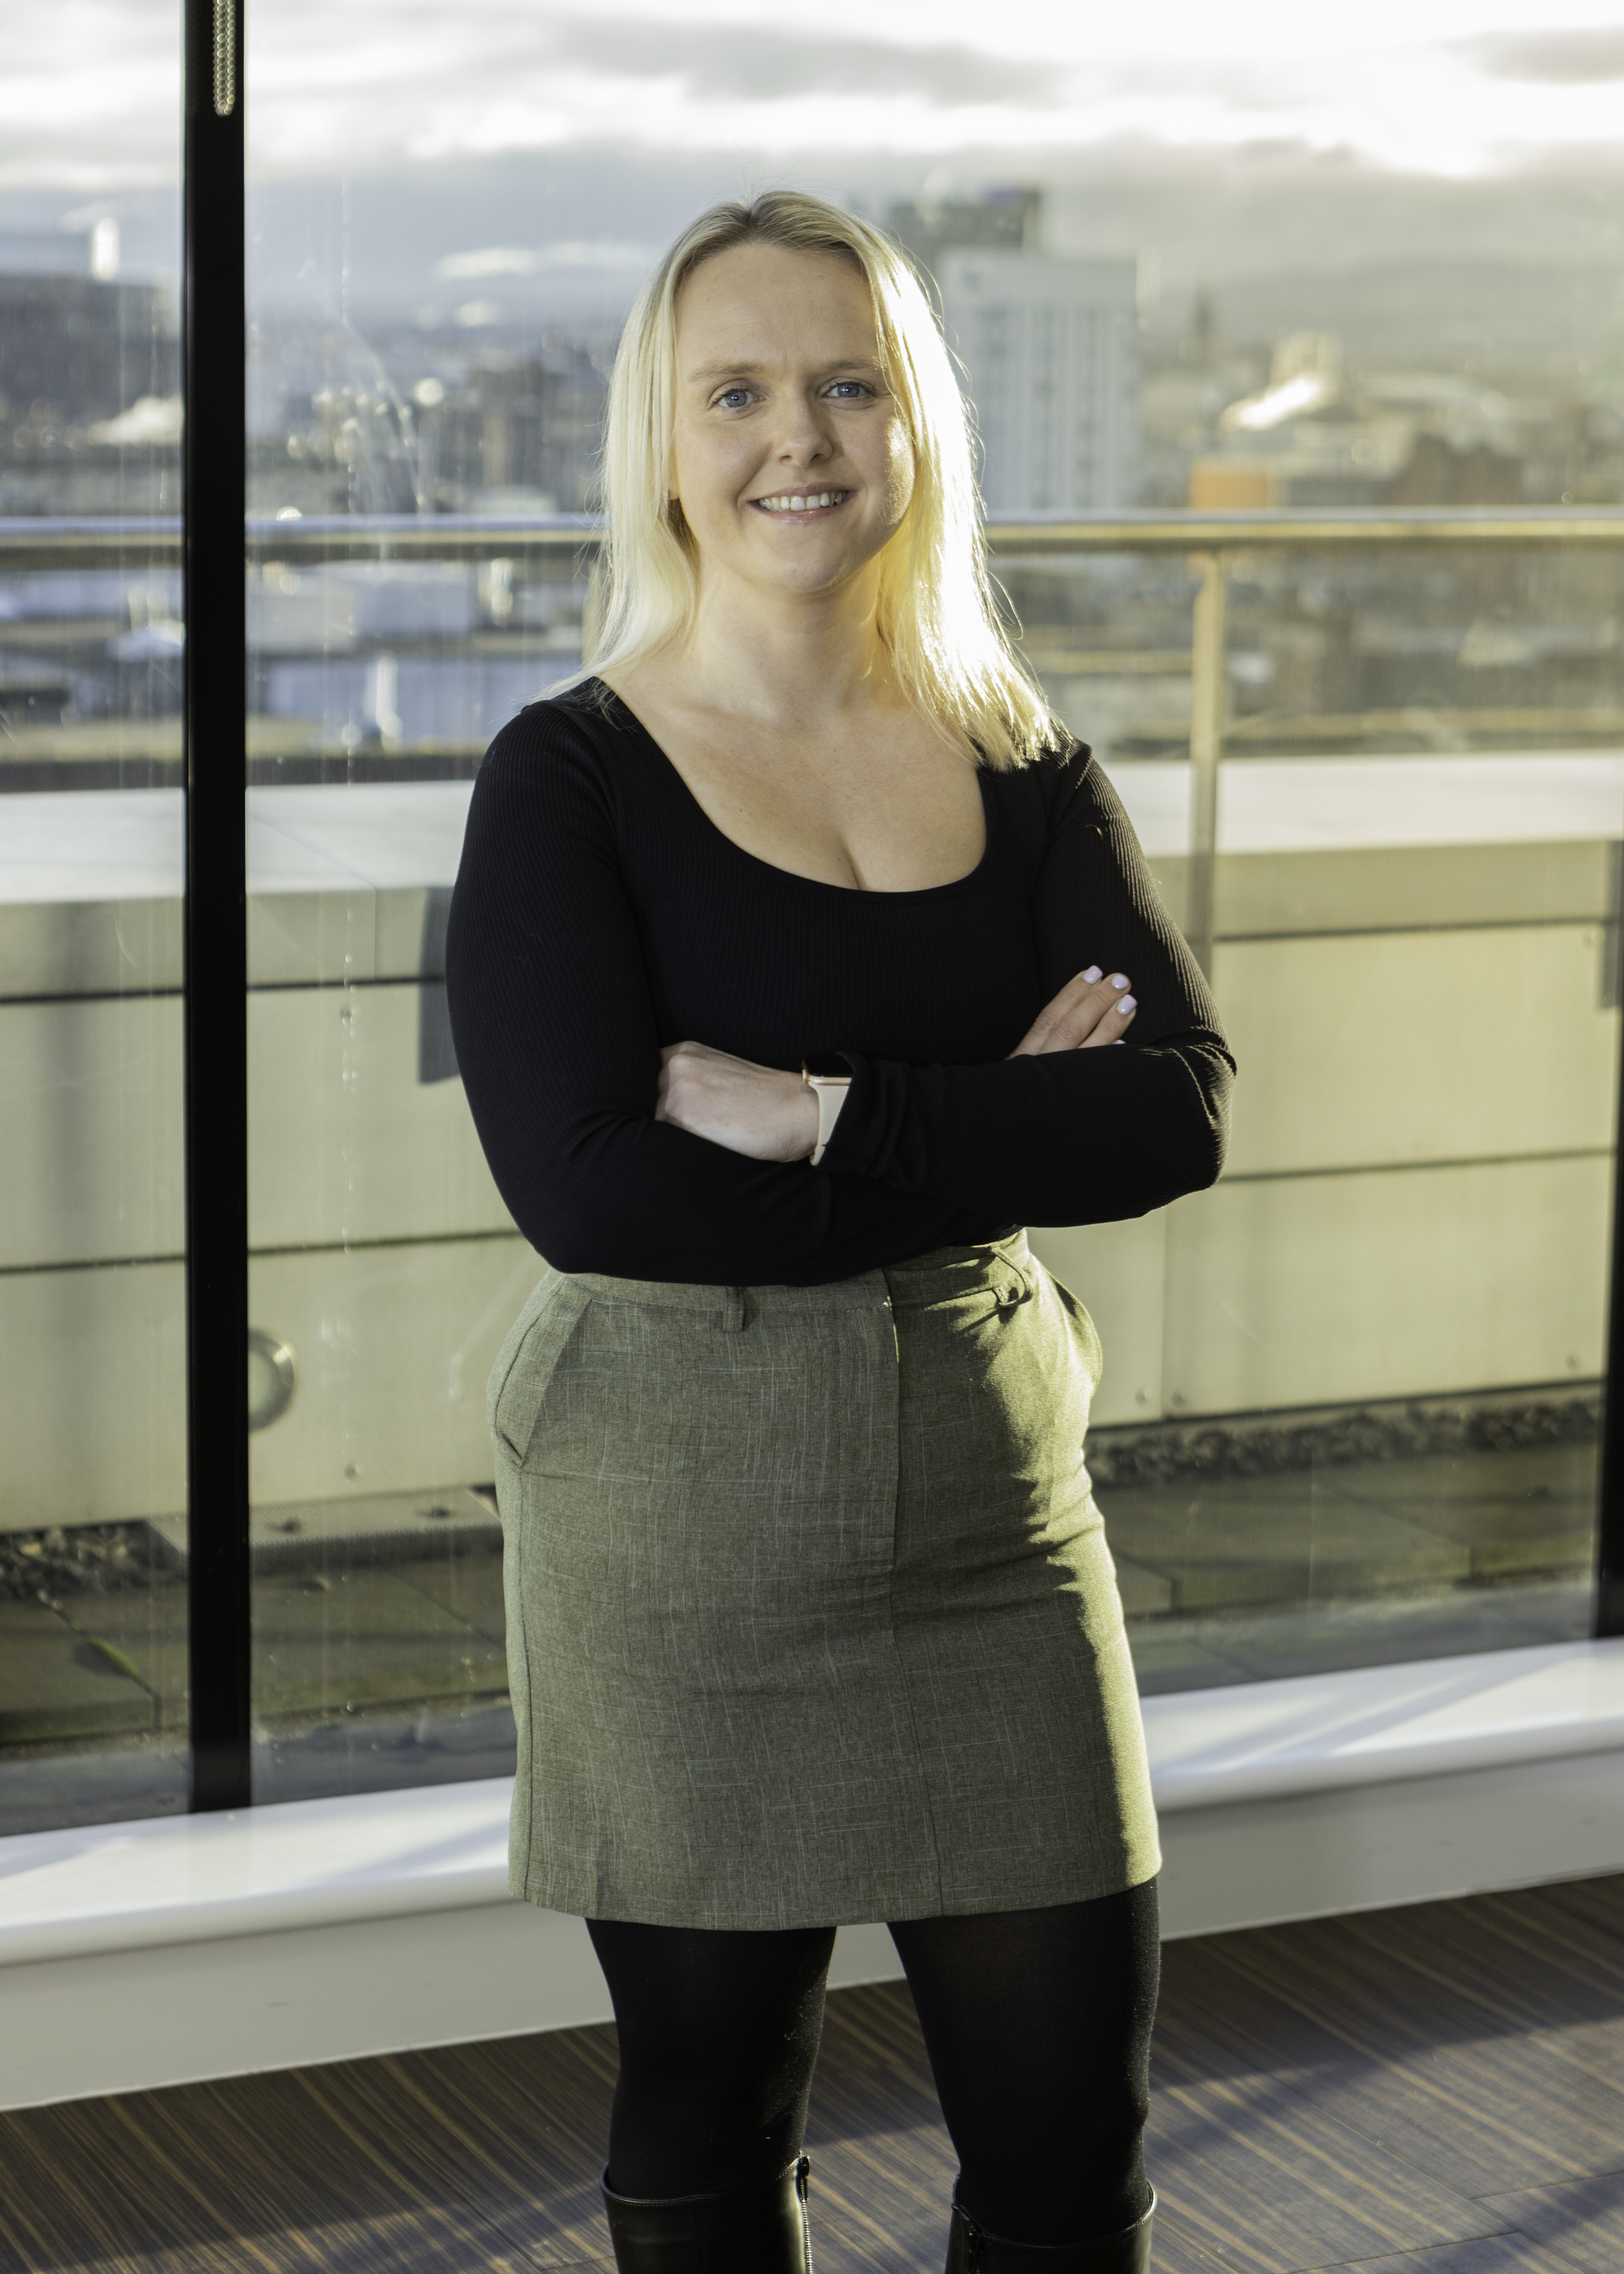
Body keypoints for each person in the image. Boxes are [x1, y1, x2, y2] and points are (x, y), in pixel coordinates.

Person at [446, 190, 1232, 2274]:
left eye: (848, 384)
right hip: (678, 1505)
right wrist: (999, 1113)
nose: (798, 437)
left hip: (991, 1496)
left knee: (1072, 2138)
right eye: (740, 391)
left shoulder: (1021, 759)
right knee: (712, 2107)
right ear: (666, 438)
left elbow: (1174, 1116)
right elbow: (595, 1189)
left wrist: (820, 1113)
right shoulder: (571, 777)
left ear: (915, 425)